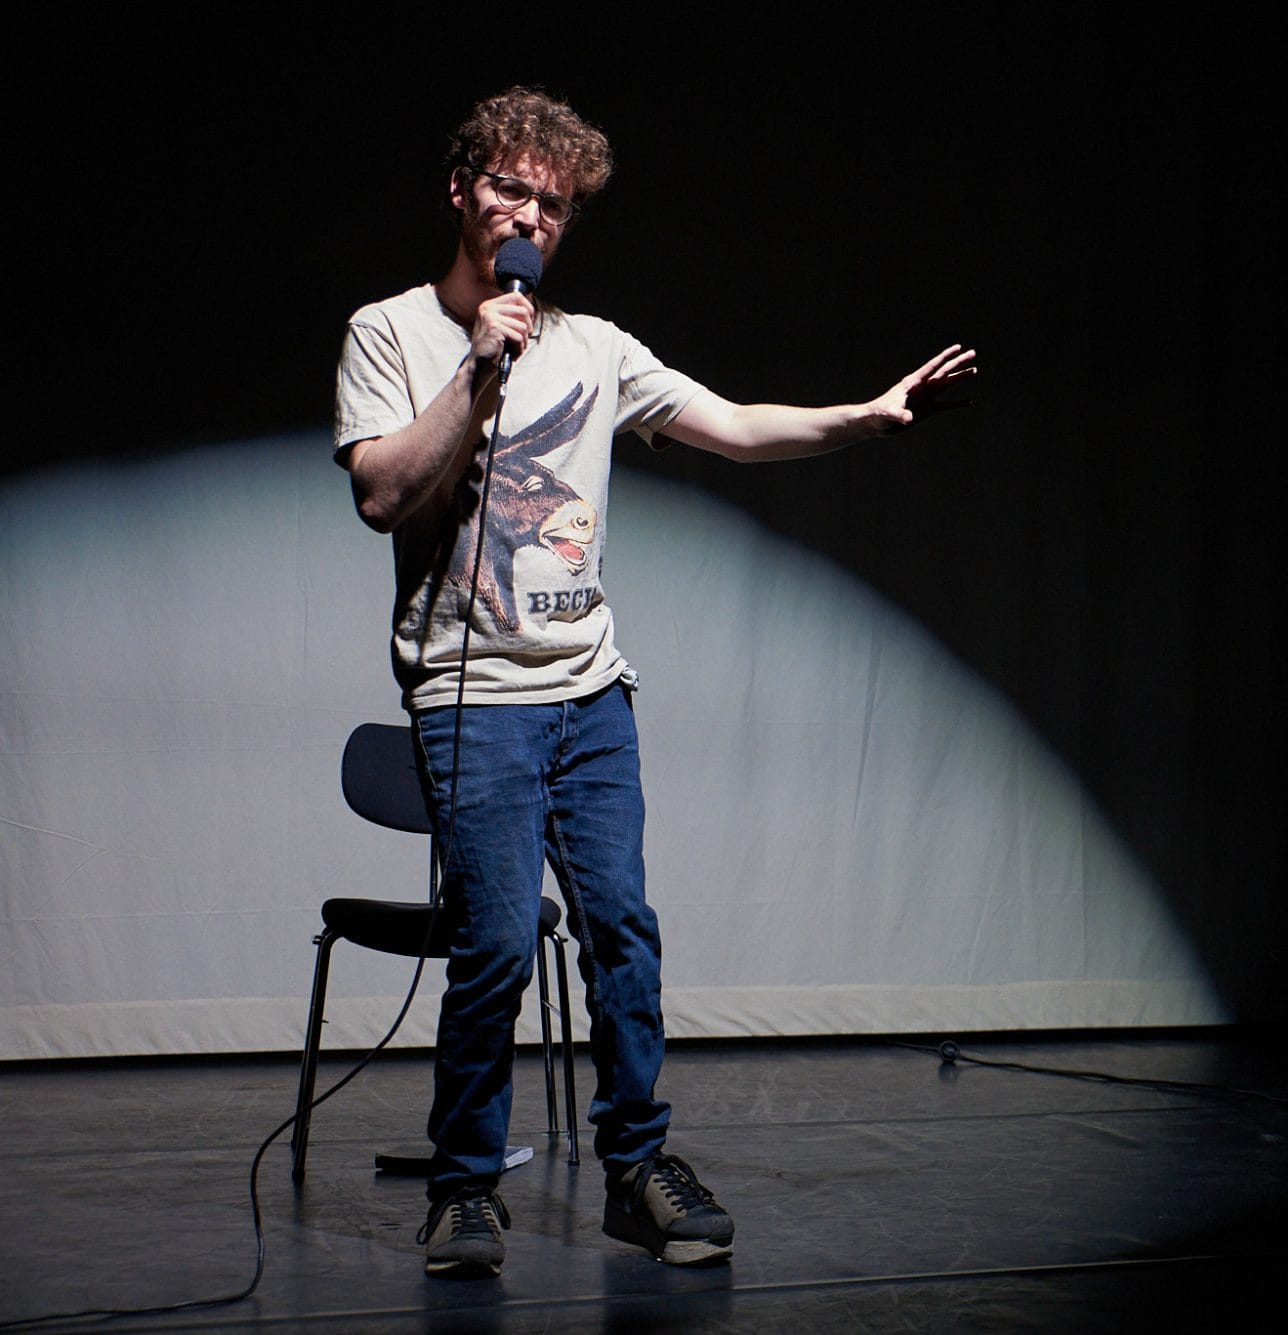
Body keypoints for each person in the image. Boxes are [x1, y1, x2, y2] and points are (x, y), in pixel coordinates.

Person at [333, 86, 975, 1278]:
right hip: (471, 700)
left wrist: (870, 417)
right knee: (495, 952)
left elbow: (733, 427)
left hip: (588, 696)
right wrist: (475, 372)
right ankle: (465, 1189)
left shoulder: (595, 347)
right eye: (513, 189)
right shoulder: (392, 332)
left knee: (622, 930)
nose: (532, 214)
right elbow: (381, 492)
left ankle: (637, 1169)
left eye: (556, 203)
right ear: (464, 191)